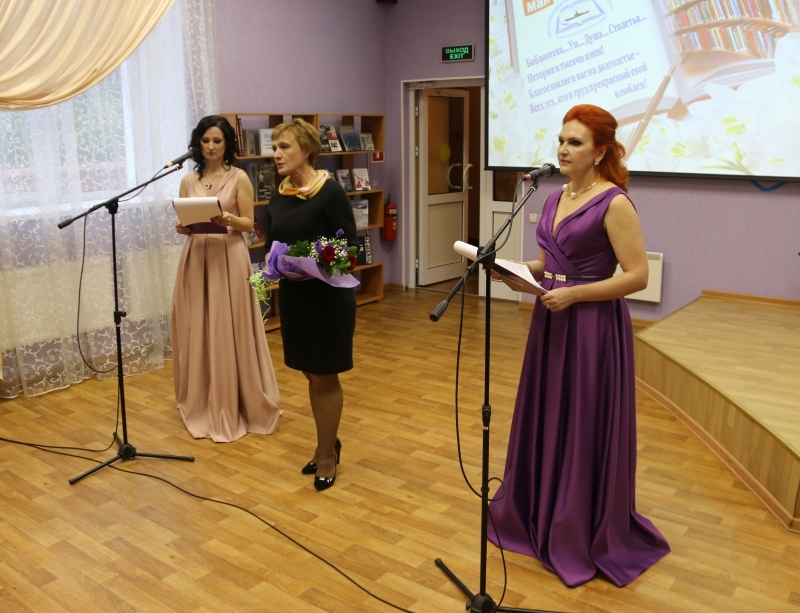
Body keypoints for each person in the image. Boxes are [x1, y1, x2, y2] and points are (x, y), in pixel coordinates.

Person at [487, 104, 670, 587]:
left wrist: (574, 295)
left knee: (583, 418)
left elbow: (637, 276)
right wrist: (514, 271)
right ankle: (540, 507)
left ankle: (575, 524)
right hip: (551, 321)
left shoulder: (615, 203)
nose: (563, 150)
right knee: (549, 412)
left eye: (575, 143)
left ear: (601, 151)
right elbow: (550, 264)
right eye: (561, 141)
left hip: (592, 328)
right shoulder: (553, 197)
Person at [172, 115, 281, 442]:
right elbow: (185, 221)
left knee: (227, 324)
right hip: (197, 255)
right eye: (205, 140)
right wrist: (182, 227)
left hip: (229, 255)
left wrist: (229, 219)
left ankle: (237, 397)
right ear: (198, 143)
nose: (210, 146)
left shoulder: (239, 177)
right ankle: (203, 397)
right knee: (199, 324)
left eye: (217, 141)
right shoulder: (188, 179)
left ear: (227, 144)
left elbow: (249, 223)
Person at [262, 119, 357, 492]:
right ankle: (327, 440)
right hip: (296, 298)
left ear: (306, 150)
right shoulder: (279, 196)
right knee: (308, 371)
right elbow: (272, 244)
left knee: (324, 376)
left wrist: (319, 259)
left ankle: (327, 454)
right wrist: (272, 264)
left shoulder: (330, 193)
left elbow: (349, 248)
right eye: (274, 147)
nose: (276, 154)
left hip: (328, 299)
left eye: (284, 147)